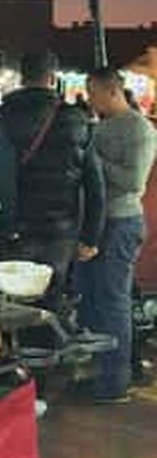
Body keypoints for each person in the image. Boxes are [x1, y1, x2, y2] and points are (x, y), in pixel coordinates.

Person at [0, 51, 105, 305]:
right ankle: (50, 342)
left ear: (22, 77)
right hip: (62, 229)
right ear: (53, 77)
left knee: (18, 301)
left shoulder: (6, 116)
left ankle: (22, 343)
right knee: (52, 296)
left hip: (21, 227)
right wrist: (91, 236)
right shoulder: (77, 118)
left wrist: (8, 224)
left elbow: (3, 177)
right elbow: (94, 183)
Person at [77, 68, 157, 402]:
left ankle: (115, 382)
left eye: (93, 93)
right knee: (94, 300)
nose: (90, 101)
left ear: (111, 91)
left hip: (121, 224)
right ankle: (101, 372)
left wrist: (91, 160)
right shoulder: (104, 125)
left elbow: (133, 181)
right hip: (98, 224)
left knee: (114, 303)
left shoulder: (139, 129)